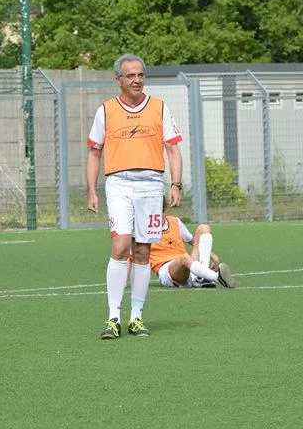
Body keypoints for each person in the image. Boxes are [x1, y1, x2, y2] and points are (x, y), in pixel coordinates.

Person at [87, 53, 184, 339]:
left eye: (140, 75)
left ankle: (136, 318)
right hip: (118, 184)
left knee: (142, 251)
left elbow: (174, 149)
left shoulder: (160, 108)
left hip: (152, 186)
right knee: (120, 246)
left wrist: (176, 184)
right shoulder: (105, 110)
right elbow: (94, 152)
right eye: (130, 75)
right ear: (118, 80)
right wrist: (92, 190)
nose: (137, 80)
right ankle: (113, 317)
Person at [148, 200, 236, 289]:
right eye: (155, 212)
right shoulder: (143, 229)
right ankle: (216, 277)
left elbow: (192, 240)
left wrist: (213, 256)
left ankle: (201, 278)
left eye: (162, 211)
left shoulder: (174, 221)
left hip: (190, 264)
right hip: (167, 270)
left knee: (204, 228)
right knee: (184, 258)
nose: (159, 215)